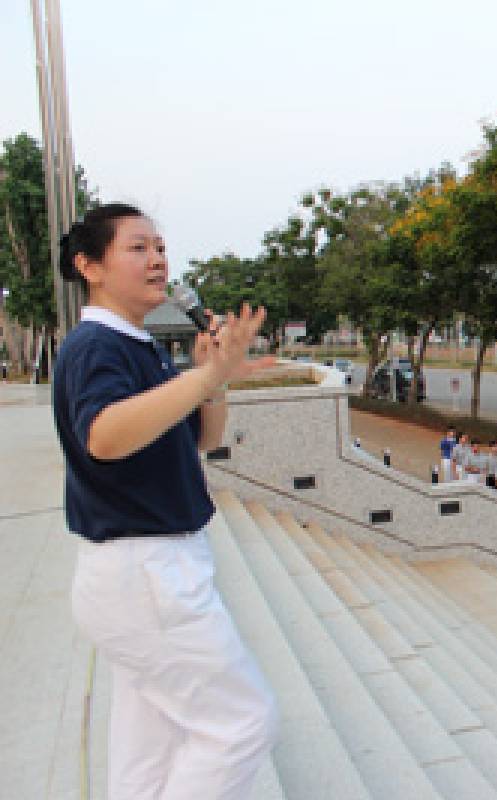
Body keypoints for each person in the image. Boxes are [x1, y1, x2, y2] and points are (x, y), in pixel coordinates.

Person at [54, 204, 278, 798]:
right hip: (146, 573)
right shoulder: (96, 346)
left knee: (148, 748)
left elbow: (202, 440)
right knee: (241, 722)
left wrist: (213, 377)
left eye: (159, 246)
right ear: (89, 265)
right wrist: (201, 381)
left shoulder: (140, 347)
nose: (156, 259)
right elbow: (103, 435)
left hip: (141, 574)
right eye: (137, 248)